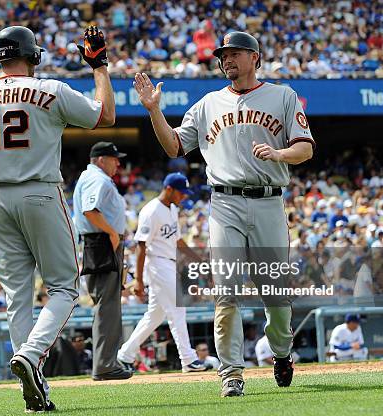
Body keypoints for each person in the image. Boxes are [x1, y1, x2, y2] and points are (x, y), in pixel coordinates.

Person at [134, 31, 314, 397]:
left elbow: (305, 148)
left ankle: (281, 352)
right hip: (225, 204)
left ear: (255, 57)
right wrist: (154, 111)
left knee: (276, 294)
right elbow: (173, 146)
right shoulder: (207, 104)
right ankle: (231, 372)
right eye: (223, 55)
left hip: (268, 201)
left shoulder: (282, 95)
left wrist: (280, 155)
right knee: (226, 292)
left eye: (235, 54)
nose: (226, 59)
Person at [0, 25, 115, 412]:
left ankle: (34, 383)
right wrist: (99, 66)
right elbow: (105, 115)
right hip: (40, 192)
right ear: (33, 54)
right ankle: (31, 356)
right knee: (65, 289)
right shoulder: (52, 90)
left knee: (17, 298)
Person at [117, 173, 207, 373]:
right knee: (177, 310)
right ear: (168, 189)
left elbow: (178, 241)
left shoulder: (173, 208)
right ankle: (188, 359)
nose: (183, 196)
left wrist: (199, 260)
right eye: (180, 192)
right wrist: (139, 280)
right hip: (156, 263)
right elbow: (141, 246)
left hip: (168, 263)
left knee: (155, 316)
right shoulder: (151, 211)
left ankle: (125, 354)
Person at [72, 141, 132, 381]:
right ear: (100, 159)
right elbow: (90, 211)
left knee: (108, 306)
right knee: (108, 308)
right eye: (114, 158)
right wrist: (112, 233)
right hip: (101, 242)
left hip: (100, 243)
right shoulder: (97, 179)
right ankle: (105, 365)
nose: (118, 162)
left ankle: (107, 362)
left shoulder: (93, 178)